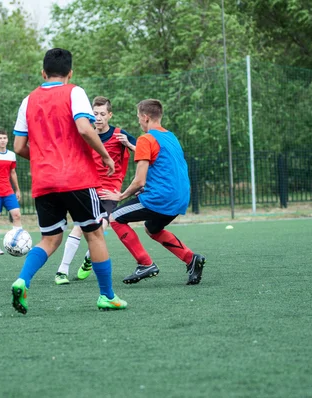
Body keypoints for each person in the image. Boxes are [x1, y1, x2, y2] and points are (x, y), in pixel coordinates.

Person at [11, 48, 127, 313]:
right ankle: (107, 296)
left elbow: (18, 146)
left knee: (50, 239)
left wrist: (43, 160)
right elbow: (85, 128)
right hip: (77, 178)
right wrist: (106, 156)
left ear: (43, 73)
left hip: (44, 182)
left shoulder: (28, 100)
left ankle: (22, 280)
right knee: (94, 233)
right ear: (70, 73)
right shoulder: (74, 91)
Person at [100, 99, 206, 285]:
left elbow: (139, 180)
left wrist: (122, 195)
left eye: (138, 118)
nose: (139, 122)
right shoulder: (171, 137)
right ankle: (191, 259)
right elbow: (164, 167)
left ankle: (145, 264)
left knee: (115, 217)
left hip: (160, 198)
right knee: (152, 228)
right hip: (180, 198)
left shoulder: (145, 139)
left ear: (145, 117)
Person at [54, 96, 136, 285]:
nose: (98, 118)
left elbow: (145, 154)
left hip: (109, 190)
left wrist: (129, 145)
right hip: (88, 187)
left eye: (102, 114)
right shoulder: (86, 134)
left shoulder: (119, 135)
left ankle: (89, 259)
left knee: (101, 227)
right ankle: (62, 271)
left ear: (109, 115)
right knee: (79, 227)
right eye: (95, 114)